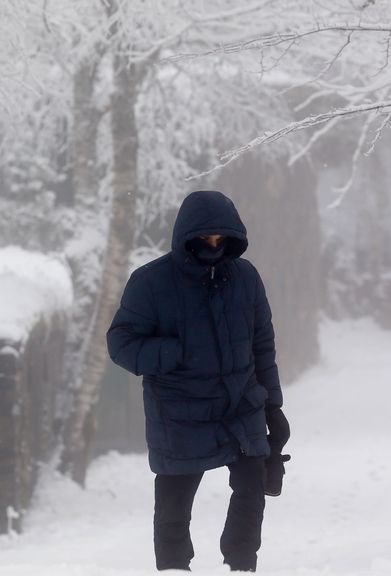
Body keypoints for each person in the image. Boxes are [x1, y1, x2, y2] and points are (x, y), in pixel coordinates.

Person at [107, 190, 291, 572]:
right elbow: (121, 343)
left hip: (241, 406)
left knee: (252, 490)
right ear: (185, 236)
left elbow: (262, 345)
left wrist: (273, 406)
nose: (213, 245)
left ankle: (241, 565)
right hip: (178, 412)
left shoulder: (245, 278)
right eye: (205, 238)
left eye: (221, 239)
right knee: (174, 508)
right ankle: (175, 569)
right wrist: (175, 353)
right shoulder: (151, 282)